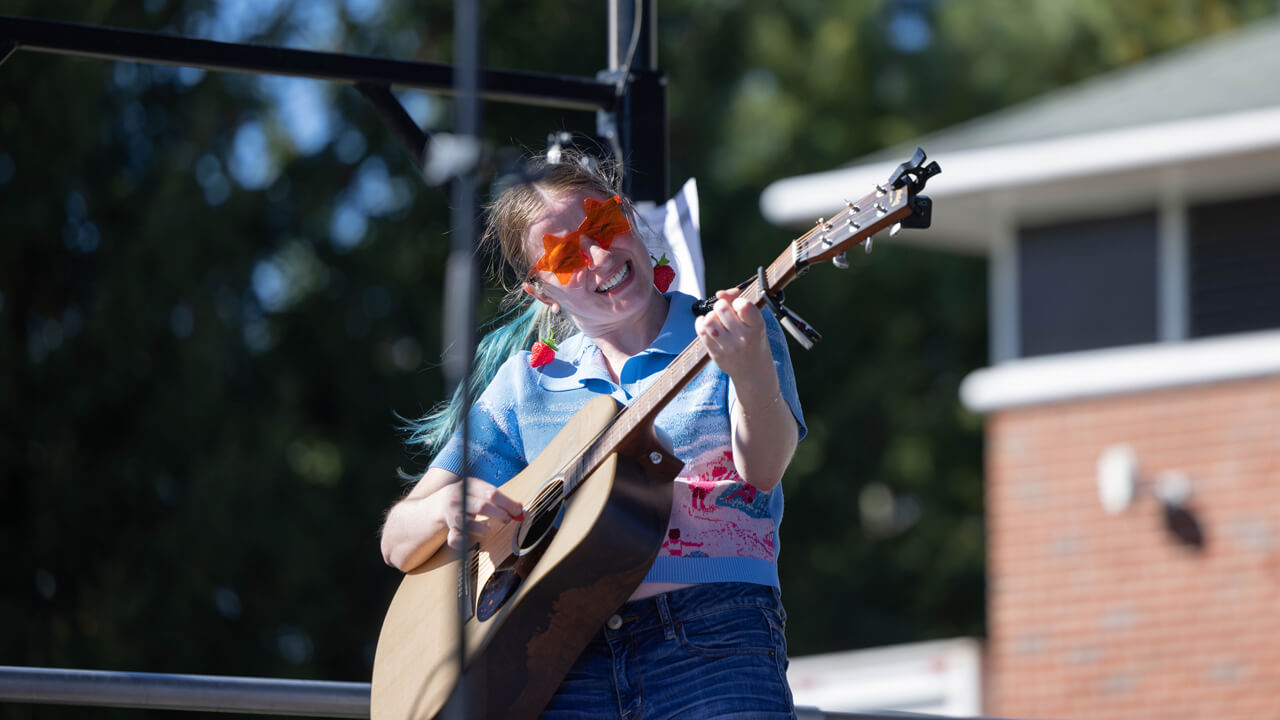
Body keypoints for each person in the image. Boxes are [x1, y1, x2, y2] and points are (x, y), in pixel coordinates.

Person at [379, 149, 806, 719]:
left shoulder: (736, 329)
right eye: (564, 254)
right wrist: (446, 511)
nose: (599, 255)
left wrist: (751, 372)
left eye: (603, 224)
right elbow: (398, 541)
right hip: (560, 657)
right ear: (541, 291)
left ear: (628, 217)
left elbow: (766, 469)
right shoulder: (526, 384)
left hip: (716, 634)